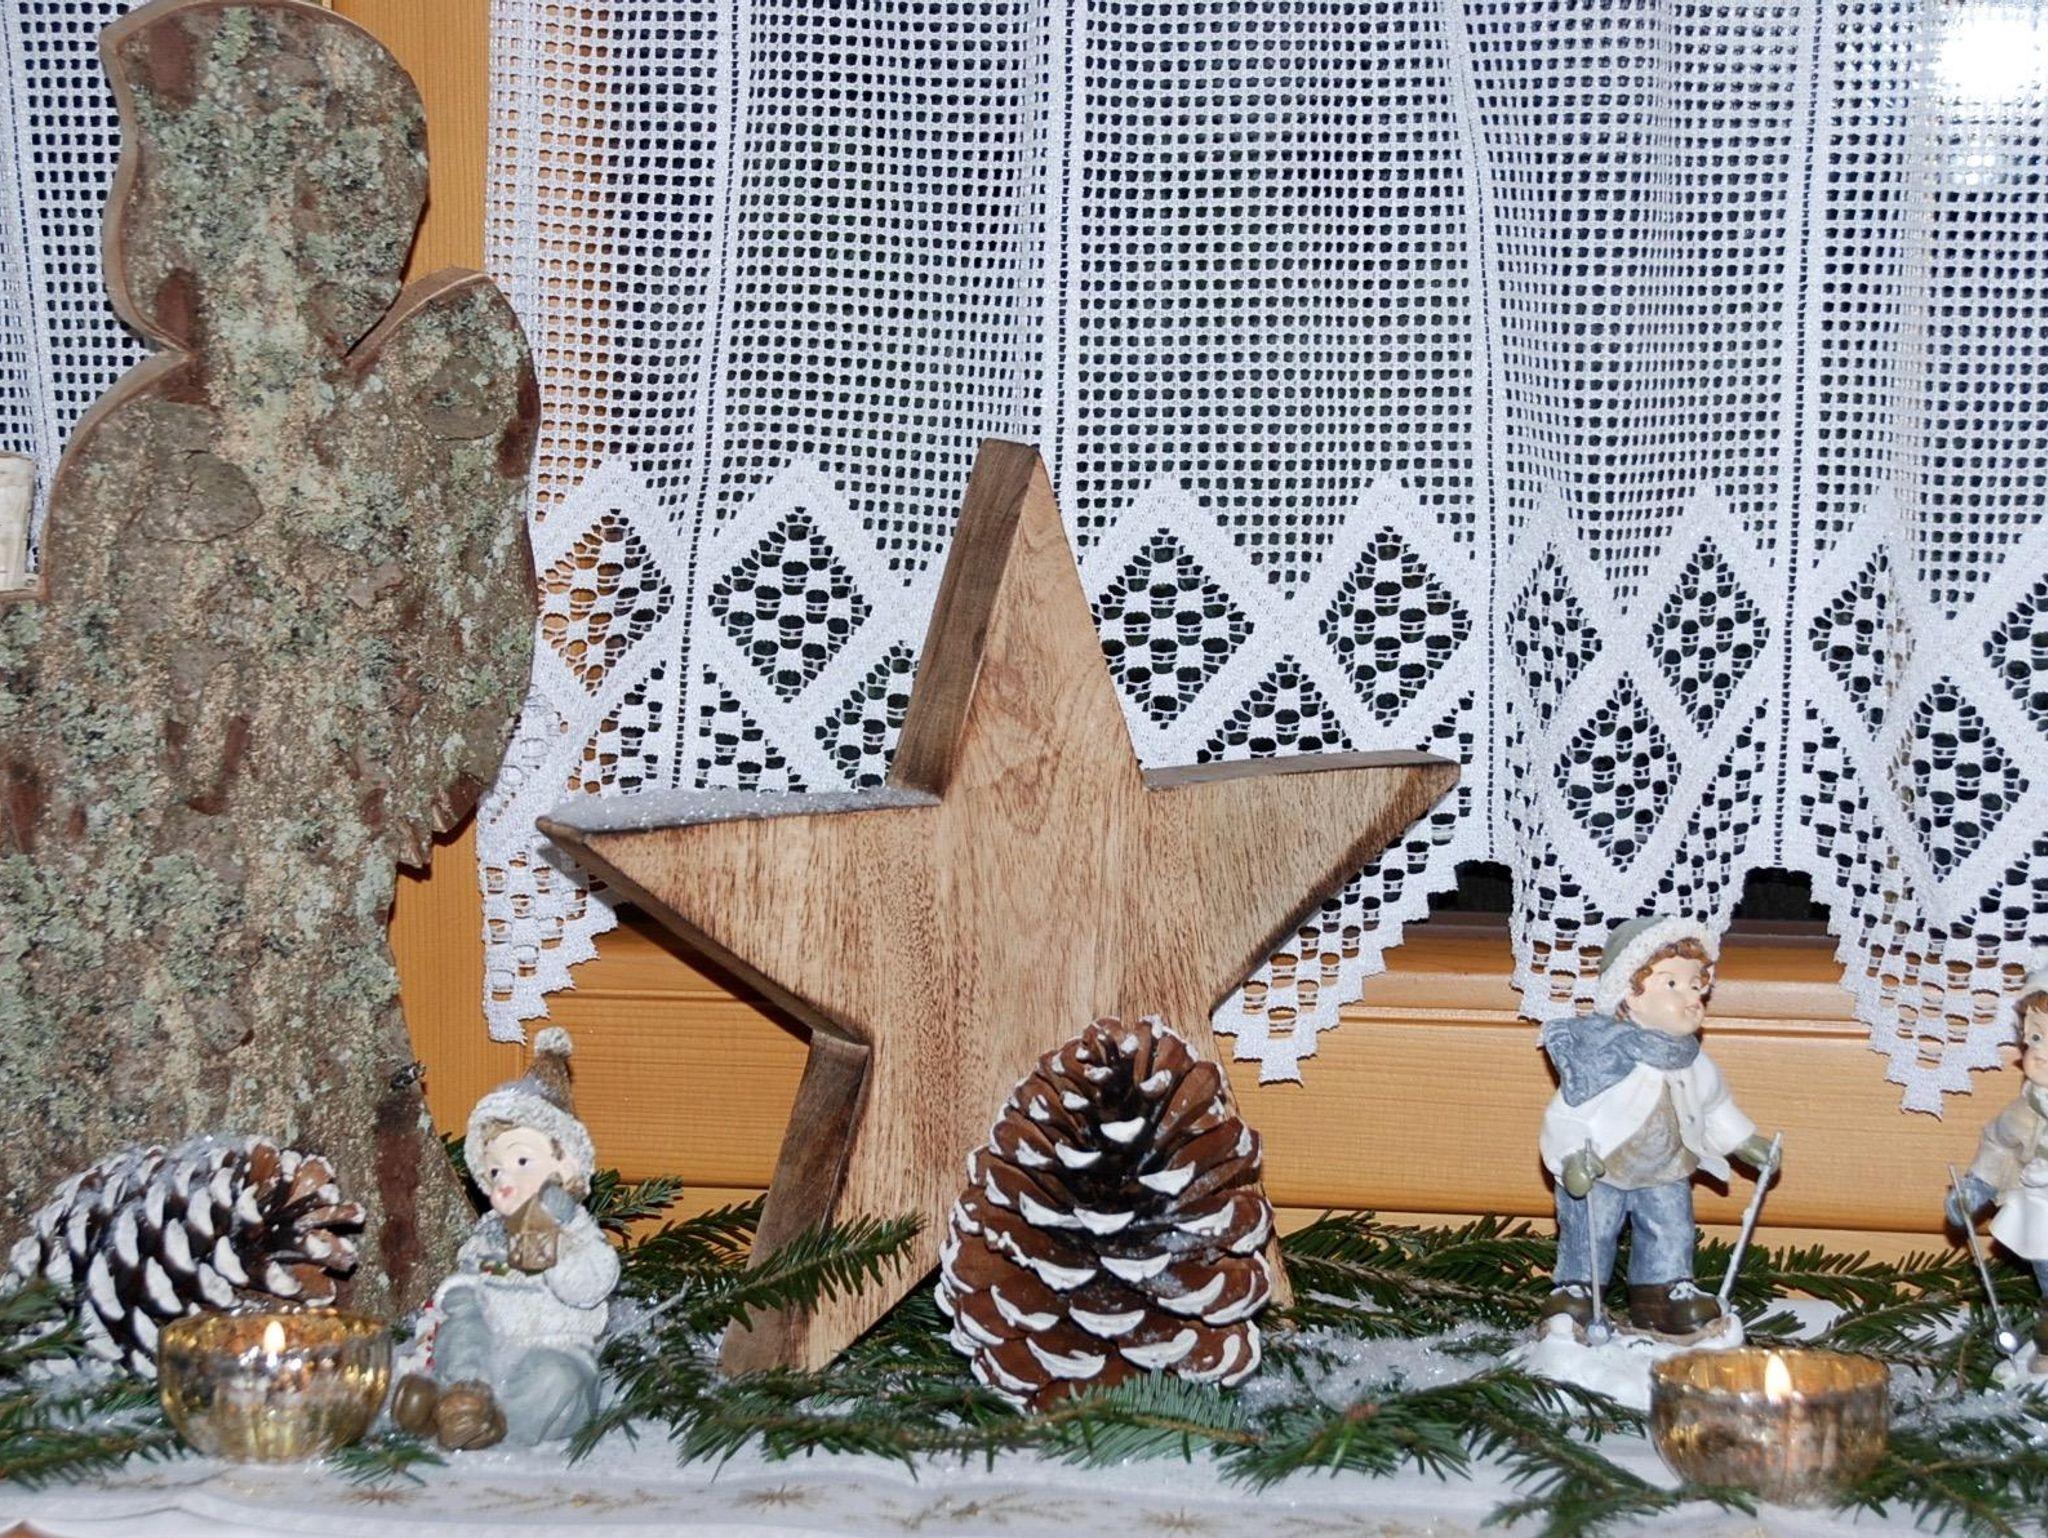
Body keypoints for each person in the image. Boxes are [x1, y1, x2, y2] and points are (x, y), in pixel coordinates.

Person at [1538, 916, 1782, 1339]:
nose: (1691, 998)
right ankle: (1578, 1288)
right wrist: (1571, 1158)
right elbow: (1567, 1115)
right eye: (1672, 985)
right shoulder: (1603, 1058)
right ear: (1630, 994)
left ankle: (1663, 1292)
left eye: (1695, 986)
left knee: (1670, 1230)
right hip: (1603, 1170)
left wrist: (1744, 1141)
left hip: (1666, 1171)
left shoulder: (1692, 1061)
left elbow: (1715, 1106)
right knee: (1592, 1229)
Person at [391, 1028, 619, 1448]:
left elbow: (591, 1287)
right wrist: (461, 1296)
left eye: (521, 1161)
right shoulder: (489, 1232)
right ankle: (456, 1399)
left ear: (566, 1166)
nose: (504, 1179)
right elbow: (469, 1271)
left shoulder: (578, 1232)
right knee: (461, 1328)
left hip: (552, 1348)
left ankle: (490, 1425)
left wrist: (553, 1250)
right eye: (495, 1170)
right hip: (492, 1349)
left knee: (557, 1383)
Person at [1946, 966, 2048, 1368]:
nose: (2040, 1052)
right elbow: (2000, 1146)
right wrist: (1977, 1188)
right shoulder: (2026, 1111)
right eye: (2035, 1038)